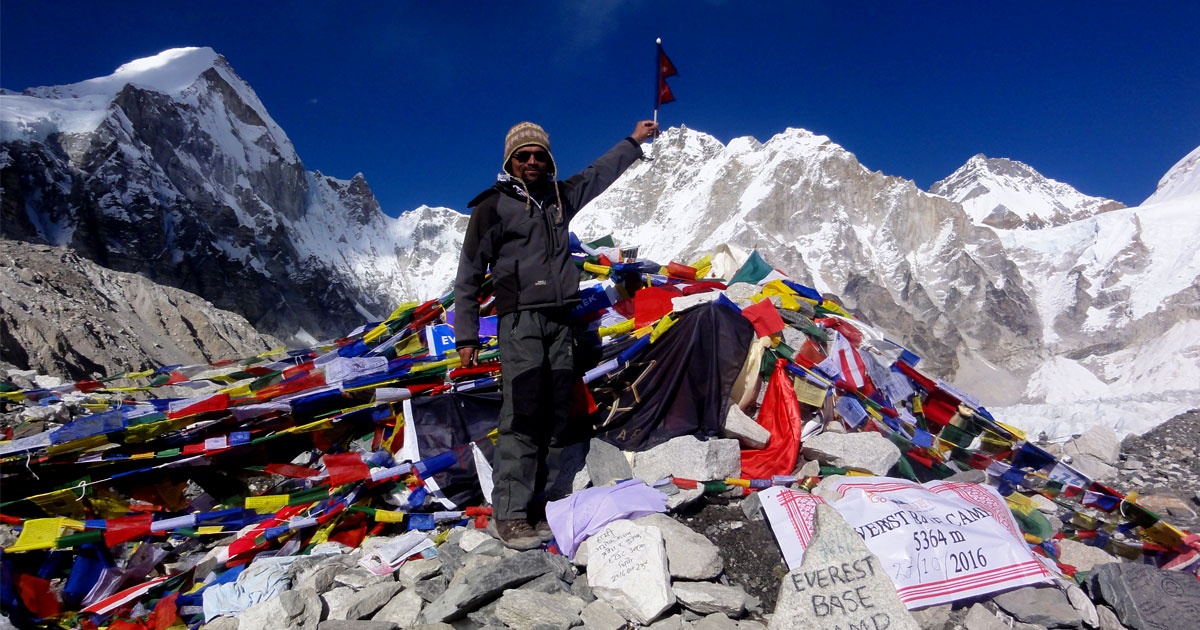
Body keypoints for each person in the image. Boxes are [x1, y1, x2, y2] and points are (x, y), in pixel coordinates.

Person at [454, 120, 659, 549]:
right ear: (509, 161)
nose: (531, 161)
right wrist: (466, 337)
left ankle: (540, 508)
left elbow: (599, 174)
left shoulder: (559, 198)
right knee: (522, 413)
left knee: (556, 415)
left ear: (549, 160)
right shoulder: (491, 207)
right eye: (522, 155)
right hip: (520, 322)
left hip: (560, 322)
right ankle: (509, 514)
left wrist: (634, 142)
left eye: (539, 154)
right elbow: (469, 275)